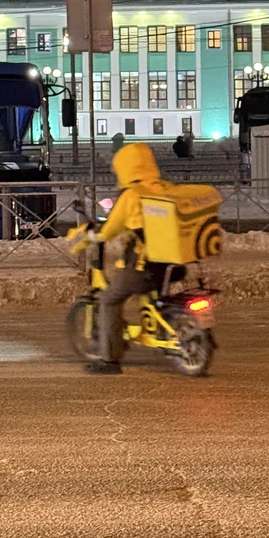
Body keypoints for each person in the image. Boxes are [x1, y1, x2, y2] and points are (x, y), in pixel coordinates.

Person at [86, 143, 180, 375]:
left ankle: (109, 360)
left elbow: (111, 228)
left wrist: (95, 236)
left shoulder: (132, 195)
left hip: (143, 266)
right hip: (173, 263)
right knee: (150, 295)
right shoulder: (165, 188)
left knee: (109, 300)